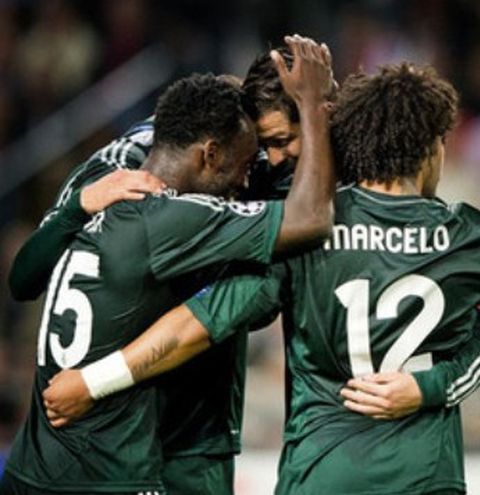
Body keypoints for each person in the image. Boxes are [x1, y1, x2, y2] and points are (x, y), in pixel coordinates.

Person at [44, 62, 480, 494]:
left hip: (318, 473)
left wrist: (93, 382)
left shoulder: (305, 232)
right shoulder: (468, 236)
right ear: (432, 147)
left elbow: (196, 325)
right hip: (423, 475)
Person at [0, 35, 337, 495]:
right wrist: (77, 205)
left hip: (183, 432)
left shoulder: (232, 162)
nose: (268, 165)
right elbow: (25, 279)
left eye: (283, 143)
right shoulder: (124, 181)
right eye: (264, 147)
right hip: (118, 439)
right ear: (215, 148)